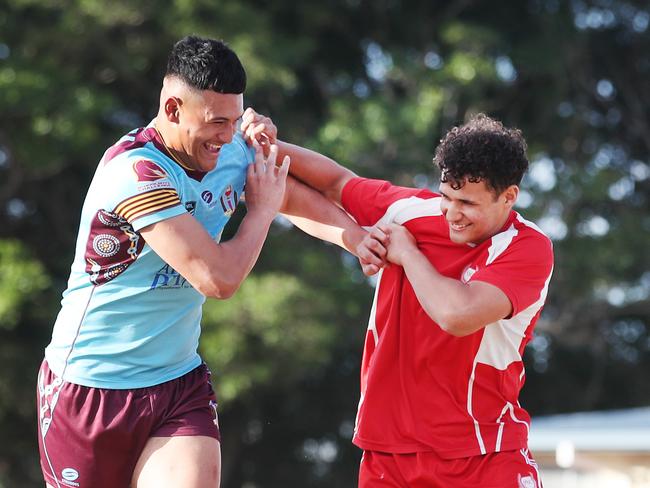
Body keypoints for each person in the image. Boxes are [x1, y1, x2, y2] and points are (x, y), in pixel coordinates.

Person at [37, 35, 364, 488]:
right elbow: (218, 277)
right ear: (172, 109)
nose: (229, 137)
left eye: (235, 120)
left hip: (177, 384)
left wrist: (361, 242)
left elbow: (290, 187)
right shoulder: (135, 174)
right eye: (216, 123)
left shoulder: (225, 146)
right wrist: (262, 211)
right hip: (91, 391)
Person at [280, 113, 554, 487]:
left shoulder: (528, 247)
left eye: (468, 204)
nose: (452, 214)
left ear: (509, 197)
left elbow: (457, 314)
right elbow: (334, 182)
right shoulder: (412, 211)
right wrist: (258, 147)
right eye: (447, 197)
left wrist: (408, 255)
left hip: (484, 456)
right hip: (387, 455)